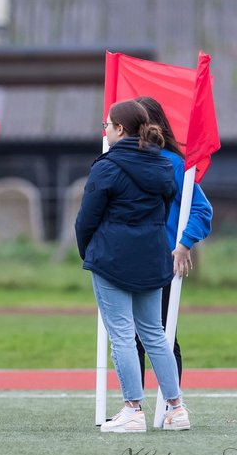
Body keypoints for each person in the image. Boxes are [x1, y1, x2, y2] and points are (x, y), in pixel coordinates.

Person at [75, 98, 190, 432]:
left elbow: (86, 219)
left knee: (123, 336)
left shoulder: (107, 166)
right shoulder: (164, 166)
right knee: (155, 334)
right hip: (153, 256)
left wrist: (89, 252)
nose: (105, 129)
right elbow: (166, 209)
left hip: (113, 258)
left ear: (120, 129)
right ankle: (176, 408)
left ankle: (133, 410)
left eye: (107, 124)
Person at [132, 95, 213, 387]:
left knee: (164, 336)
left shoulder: (174, 164)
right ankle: (133, 407)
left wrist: (183, 244)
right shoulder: (122, 161)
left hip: (163, 260)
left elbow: (202, 209)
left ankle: (172, 406)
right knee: (130, 339)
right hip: (129, 260)